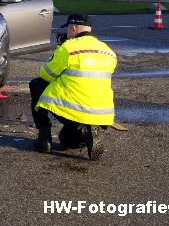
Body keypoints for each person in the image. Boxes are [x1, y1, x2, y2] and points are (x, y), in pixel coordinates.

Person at [29, 13, 117, 160]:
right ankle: (88, 131)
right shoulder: (108, 51)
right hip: (102, 114)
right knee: (66, 140)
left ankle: (44, 140)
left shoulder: (68, 48)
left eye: (68, 30)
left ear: (74, 29)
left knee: (36, 84)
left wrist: (59, 49)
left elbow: (46, 74)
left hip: (75, 110)